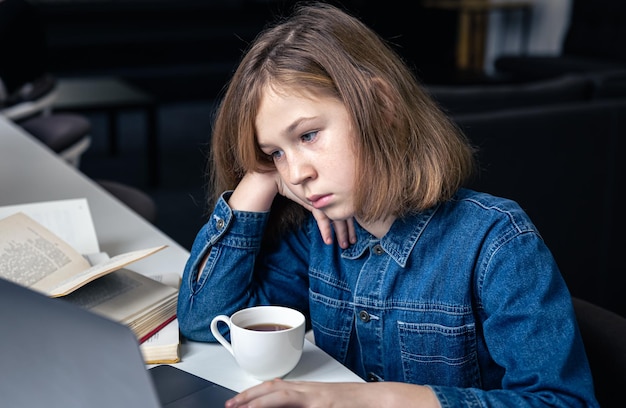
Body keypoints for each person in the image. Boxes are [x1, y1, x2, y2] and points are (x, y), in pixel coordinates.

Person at [177, 2, 599, 407]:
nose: (295, 175)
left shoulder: (498, 244)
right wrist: (257, 177)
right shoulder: (317, 237)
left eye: (307, 135)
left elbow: (561, 401)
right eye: (276, 153)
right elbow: (205, 322)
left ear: (380, 107)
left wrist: (379, 399)